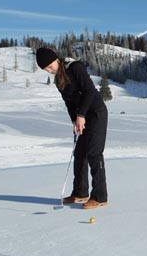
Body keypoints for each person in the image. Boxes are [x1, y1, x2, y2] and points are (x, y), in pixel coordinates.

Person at [36, 47, 108, 209]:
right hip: (80, 117)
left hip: (96, 113)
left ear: (56, 59)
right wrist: (74, 122)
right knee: (79, 152)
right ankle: (80, 193)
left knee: (94, 153)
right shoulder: (58, 80)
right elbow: (69, 104)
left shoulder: (74, 67)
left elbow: (89, 91)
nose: (49, 70)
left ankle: (100, 196)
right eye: (45, 69)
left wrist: (81, 115)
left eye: (50, 65)